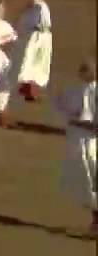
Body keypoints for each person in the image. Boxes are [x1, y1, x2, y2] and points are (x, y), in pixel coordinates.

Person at [52, 58, 96, 236]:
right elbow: (59, 105)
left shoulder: (76, 92)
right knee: (88, 183)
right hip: (81, 143)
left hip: (88, 142)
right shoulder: (74, 91)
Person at [14, 0, 52, 102]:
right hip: (40, 36)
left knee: (30, 61)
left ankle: (27, 88)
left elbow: (21, 23)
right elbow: (44, 23)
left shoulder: (30, 8)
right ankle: (30, 90)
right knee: (38, 62)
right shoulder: (40, 6)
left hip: (34, 36)